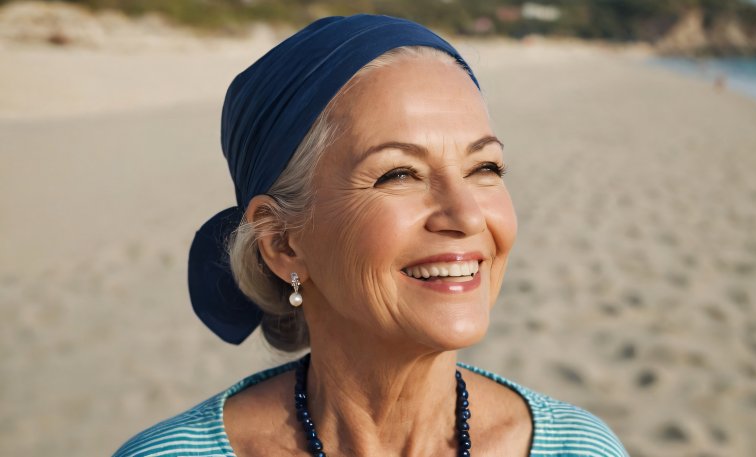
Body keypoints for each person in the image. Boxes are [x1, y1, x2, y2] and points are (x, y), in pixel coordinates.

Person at [113, 14, 628, 457]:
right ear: (282, 242)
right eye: (399, 174)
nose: (467, 215)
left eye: (485, 167)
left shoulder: (579, 446)